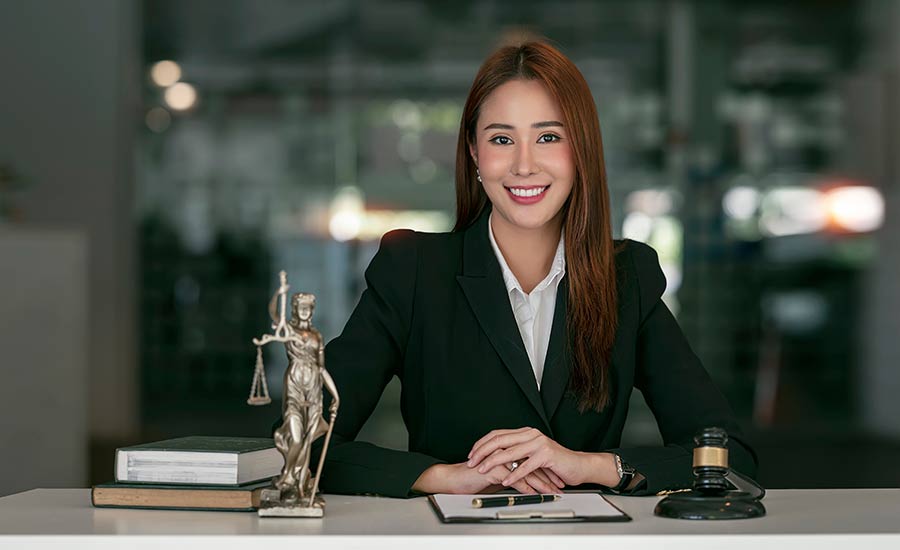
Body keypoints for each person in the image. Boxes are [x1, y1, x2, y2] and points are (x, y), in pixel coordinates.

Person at [310, 39, 757, 498]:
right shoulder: (413, 271)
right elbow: (303, 444)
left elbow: (728, 457)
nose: (524, 165)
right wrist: (443, 477)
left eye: (548, 137)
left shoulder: (628, 277)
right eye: (502, 139)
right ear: (473, 153)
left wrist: (587, 466)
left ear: (580, 149)